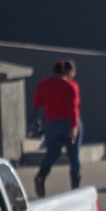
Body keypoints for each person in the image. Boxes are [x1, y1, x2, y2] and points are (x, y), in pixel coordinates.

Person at [31, 59, 82, 197]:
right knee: (73, 156)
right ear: (69, 71)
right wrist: (74, 127)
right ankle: (75, 188)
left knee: (52, 153)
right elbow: (72, 108)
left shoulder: (44, 83)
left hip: (51, 124)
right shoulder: (71, 86)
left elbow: (37, 102)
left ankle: (41, 176)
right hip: (68, 123)